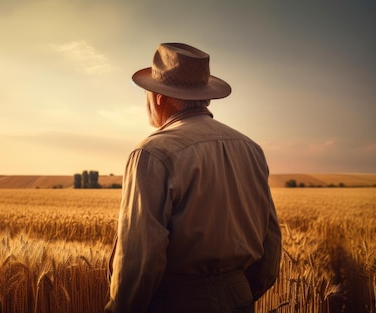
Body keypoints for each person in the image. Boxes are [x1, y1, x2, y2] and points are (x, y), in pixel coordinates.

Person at [105, 43, 282, 312]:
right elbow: (270, 243)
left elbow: (140, 260)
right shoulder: (250, 148)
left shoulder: (152, 152)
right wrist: (236, 292)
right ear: (205, 96)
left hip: (176, 302)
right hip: (240, 299)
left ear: (159, 98)